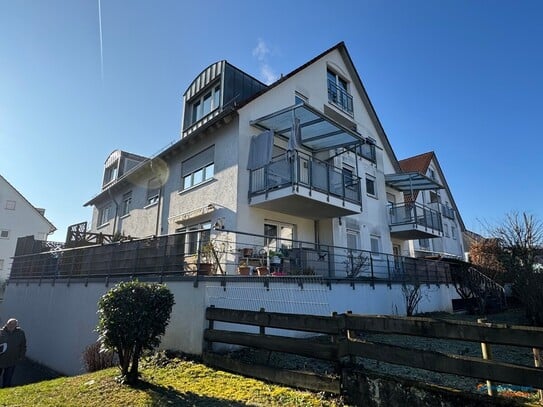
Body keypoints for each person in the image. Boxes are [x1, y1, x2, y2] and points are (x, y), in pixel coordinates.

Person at [0, 318, 27, 387]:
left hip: (12, 360)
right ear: (6, 324)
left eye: (14, 324)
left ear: (16, 326)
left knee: (8, 379)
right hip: (1, 360)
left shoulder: (20, 333)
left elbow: (23, 345)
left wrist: (21, 356)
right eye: (10, 324)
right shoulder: (1, 332)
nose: (11, 326)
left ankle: (5, 391)